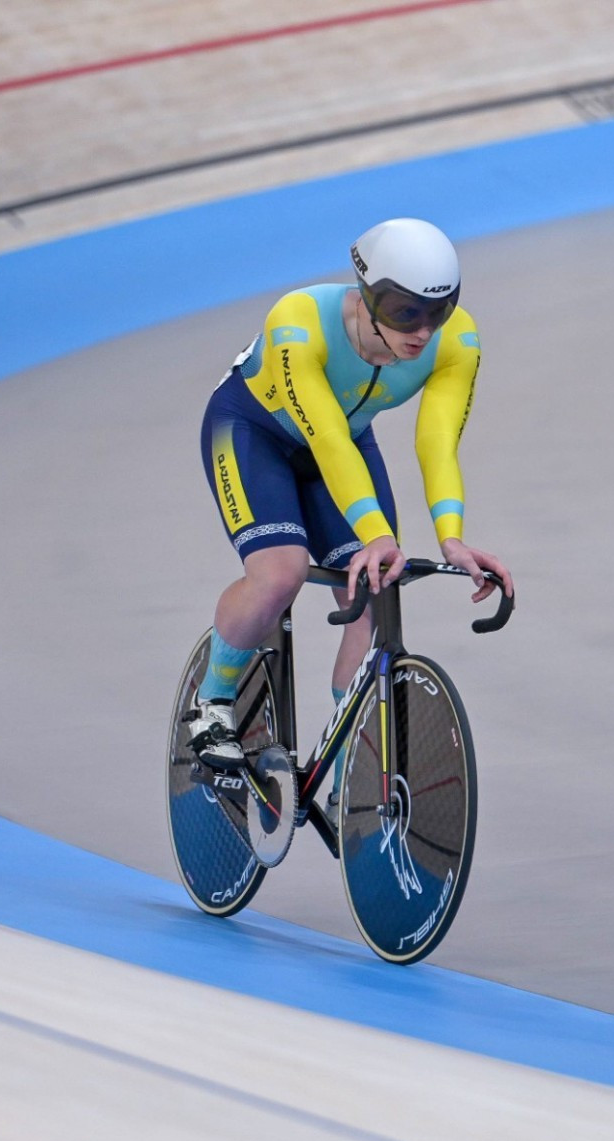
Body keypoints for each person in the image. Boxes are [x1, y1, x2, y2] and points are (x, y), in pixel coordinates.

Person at [187, 217, 514, 768]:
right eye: (405, 311)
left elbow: (437, 443)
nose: (422, 331)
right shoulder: (298, 321)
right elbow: (328, 440)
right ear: (367, 296)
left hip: (343, 442)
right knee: (281, 573)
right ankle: (212, 702)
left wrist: (452, 537)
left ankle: (344, 773)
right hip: (253, 434)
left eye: (438, 311)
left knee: (373, 591)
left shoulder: (457, 341)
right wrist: (377, 534)